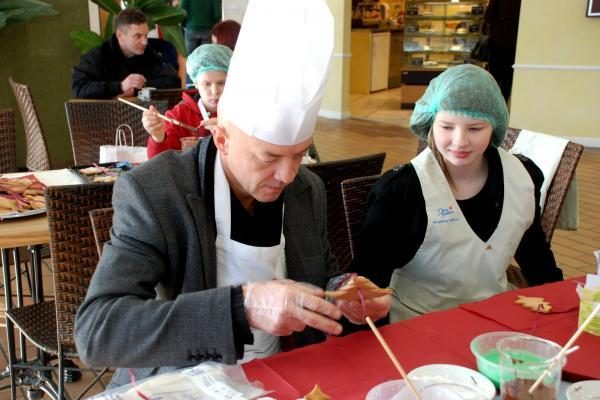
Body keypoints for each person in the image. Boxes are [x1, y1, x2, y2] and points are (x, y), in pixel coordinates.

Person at [74, 0, 390, 390]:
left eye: (300, 153)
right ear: (221, 138)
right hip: (182, 381)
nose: (288, 175)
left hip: (282, 374)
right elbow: (98, 331)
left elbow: (319, 275)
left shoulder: (306, 189)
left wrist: (344, 294)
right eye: (270, 156)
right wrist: (240, 308)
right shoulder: (156, 191)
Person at [349, 64, 563, 323]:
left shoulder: (524, 175)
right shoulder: (402, 191)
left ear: (495, 127)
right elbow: (370, 279)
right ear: (430, 123)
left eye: (475, 129)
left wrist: (561, 306)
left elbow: (534, 252)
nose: (460, 141)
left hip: (493, 316)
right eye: (447, 127)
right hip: (416, 321)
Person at [143, 44, 232, 158]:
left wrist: (230, 130)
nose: (214, 91)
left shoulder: (242, 113)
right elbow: (160, 165)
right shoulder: (178, 116)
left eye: (221, 83)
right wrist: (159, 137)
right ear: (196, 83)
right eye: (207, 84)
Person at [71, 8, 180, 99]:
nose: (145, 42)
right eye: (138, 36)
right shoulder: (98, 56)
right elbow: (79, 88)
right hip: (106, 116)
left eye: (146, 35)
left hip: (142, 115)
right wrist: (120, 86)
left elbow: (174, 80)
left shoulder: (148, 53)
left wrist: (137, 89)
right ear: (120, 35)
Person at [483, 0, 521, 102]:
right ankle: (502, 103)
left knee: (495, 75)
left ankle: (492, 103)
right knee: (508, 77)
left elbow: (489, 16)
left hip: (498, 40)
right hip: (514, 41)